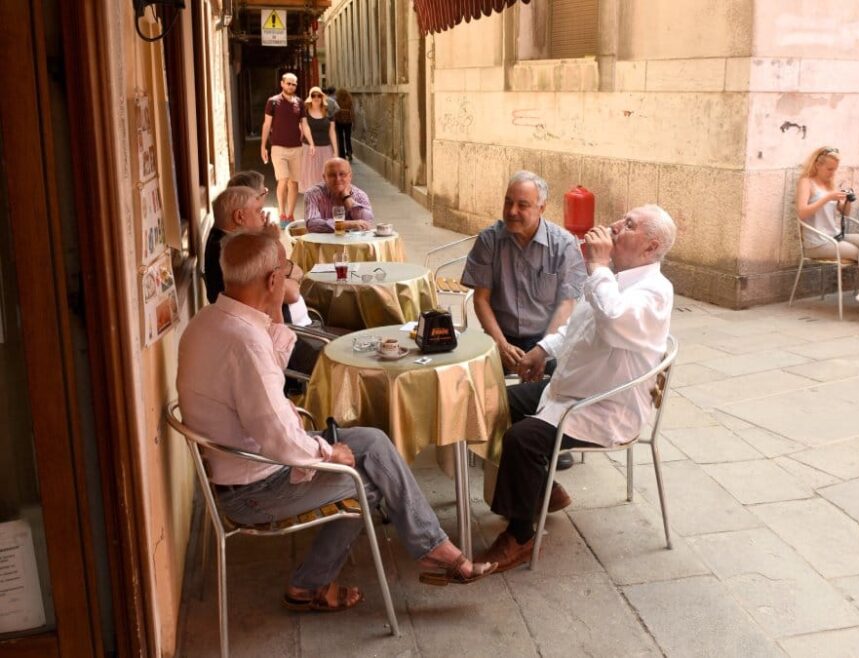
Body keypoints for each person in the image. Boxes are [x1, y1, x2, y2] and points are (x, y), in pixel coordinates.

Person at [178, 232, 495, 611]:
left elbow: (267, 391)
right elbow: (281, 440)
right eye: (285, 271)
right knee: (369, 484)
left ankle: (434, 548)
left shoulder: (209, 321)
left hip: (243, 463)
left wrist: (275, 313)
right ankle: (310, 584)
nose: (290, 278)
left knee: (374, 442)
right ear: (272, 280)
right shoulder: (245, 341)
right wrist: (329, 453)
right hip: (254, 488)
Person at [480, 205, 677, 572]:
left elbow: (613, 322)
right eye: (622, 218)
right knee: (495, 403)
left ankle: (520, 535)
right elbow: (576, 328)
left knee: (522, 439)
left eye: (629, 225)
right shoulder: (615, 277)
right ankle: (543, 489)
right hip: (572, 389)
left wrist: (599, 267)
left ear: (650, 248)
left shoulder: (654, 293)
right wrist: (543, 350)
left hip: (604, 405)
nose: (616, 225)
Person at [461, 170, 587, 470]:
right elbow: (481, 300)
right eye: (508, 202)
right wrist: (501, 344)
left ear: (541, 208)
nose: (512, 211)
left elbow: (567, 303)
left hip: (546, 336)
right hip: (499, 334)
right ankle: (485, 435)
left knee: (570, 372)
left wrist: (545, 349)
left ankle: (552, 436)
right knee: (464, 373)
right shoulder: (490, 240)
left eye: (522, 204)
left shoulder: (563, 244)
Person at [795, 146, 859, 320]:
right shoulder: (807, 182)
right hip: (817, 243)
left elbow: (845, 213)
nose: (832, 173)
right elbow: (802, 212)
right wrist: (827, 197)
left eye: (835, 170)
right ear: (817, 165)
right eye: (829, 169)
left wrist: (846, 201)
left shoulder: (829, 184)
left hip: (834, 236)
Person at [260, 72, 315, 228]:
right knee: (283, 179)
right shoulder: (273, 102)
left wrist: (311, 142)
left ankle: (290, 215)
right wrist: (263, 145)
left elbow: (305, 124)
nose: (291, 86)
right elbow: (266, 125)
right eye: (288, 83)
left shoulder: (300, 103)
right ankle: (281, 213)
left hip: (296, 149)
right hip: (278, 148)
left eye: (294, 84)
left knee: (294, 183)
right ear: (282, 84)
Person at [304, 158, 374, 233]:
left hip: (351, 243)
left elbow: (366, 222)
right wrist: (347, 225)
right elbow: (312, 225)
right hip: (324, 243)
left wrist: (347, 197)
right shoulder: (313, 194)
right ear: (324, 177)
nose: (338, 179)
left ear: (350, 176)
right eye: (332, 175)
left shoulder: (360, 195)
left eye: (342, 174)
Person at [300, 87, 339, 195]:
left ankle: (324, 205)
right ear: (310, 97)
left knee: (326, 178)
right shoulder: (305, 112)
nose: (316, 98)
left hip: (326, 148)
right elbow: (303, 129)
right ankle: (312, 205)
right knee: (310, 179)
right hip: (310, 150)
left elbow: (332, 132)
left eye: (319, 95)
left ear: (322, 97)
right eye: (313, 95)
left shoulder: (328, 112)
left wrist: (335, 151)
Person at [334, 88, 354, 161]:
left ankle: (342, 154)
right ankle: (349, 151)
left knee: (340, 138)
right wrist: (353, 121)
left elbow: (335, 110)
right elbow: (352, 111)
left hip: (339, 120)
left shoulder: (337, 100)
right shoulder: (349, 100)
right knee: (348, 137)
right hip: (348, 121)